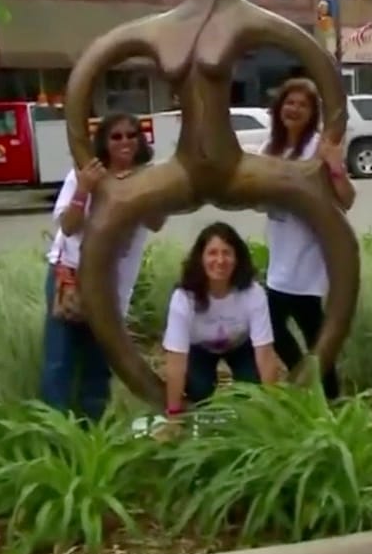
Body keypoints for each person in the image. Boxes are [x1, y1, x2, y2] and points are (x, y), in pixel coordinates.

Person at [41, 113, 163, 421]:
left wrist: (139, 192)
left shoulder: (147, 179)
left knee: (98, 365)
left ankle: (90, 433)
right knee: (59, 361)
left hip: (111, 288)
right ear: (104, 142)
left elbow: (157, 222)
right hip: (70, 277)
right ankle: (53, 433)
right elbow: (68, 227)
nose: (125, 142)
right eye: (116, 136)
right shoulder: (86, 173)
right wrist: (84, 190)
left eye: (131, 135)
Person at [259, 78, 352, 400]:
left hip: (308, 264)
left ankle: (332, 402)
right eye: (289, 102)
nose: (294, 109)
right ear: (279, 107)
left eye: (302, 104)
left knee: (317, 337)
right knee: (272, 327)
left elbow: (347, 199)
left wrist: (335, 167)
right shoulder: (269, 149)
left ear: (312, 112)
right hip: (278, 262)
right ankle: (306, 379)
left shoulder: (317, 147)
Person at [161, 222, 279, 415]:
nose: (220, 260)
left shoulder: (253, 293)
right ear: (200, 258)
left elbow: (265, 353)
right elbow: (175, 360)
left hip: (241, 346)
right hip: (200, 349)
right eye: (212, 253)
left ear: (237, 258)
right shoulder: (184, 298)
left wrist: (274, 410)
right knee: (198, 390)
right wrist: (173, 413)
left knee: (252, 390)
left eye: (227, 253)